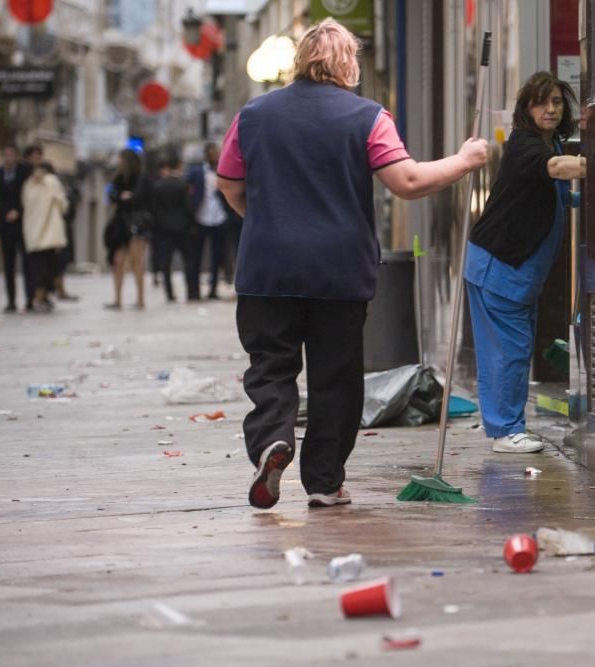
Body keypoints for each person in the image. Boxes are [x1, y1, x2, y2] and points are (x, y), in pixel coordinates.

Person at [216, 18, 487, 510]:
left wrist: (266, 223)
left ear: (301, 60)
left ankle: (272, 441)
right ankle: (323, 481)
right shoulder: (367, 117)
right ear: (348, 64)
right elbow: (406, 180)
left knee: (270, 368)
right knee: (335, 379)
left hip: (266, 270)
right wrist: (466, 160)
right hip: (338, 272)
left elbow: (230, 185)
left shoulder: (253, 115)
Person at [464, 71, 586, 454]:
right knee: (508, 350)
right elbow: (555, 170)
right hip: (499, 268)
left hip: (516, 272)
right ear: (526, 109)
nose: (550, 109)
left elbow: (552, 197)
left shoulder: (552, 142)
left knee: (512, 348)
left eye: (556, 102)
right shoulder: (526, 145)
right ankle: (505, 432)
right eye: (541, 102)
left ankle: (509, 426)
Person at [105, 149, 153, 309]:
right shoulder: (118, 178)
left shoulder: (142, 178)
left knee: (136, 261)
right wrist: (123, 196)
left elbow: (138, 198)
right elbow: (112, 195)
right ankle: (117, 299)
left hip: (137, 223)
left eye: (121, 159)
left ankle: (140, 299)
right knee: (118, 261)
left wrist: (125, 197)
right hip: (120, 224)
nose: (119, 162)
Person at [21, 161, 68, 313]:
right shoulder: (50, 182)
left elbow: (24, 203)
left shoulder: (29, 184)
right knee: (46, 267)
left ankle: (39, 297)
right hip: (48, 234)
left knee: (39, 267)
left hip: (35, 233)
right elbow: (63, 204)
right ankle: (41, 297)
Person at [0, 144, 32, 313]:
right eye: (6, 155)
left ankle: (29, 299)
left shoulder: (24, 172)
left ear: (16, 156)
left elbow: (29, 196)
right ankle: (11, 301)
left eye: (11, 155)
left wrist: (19, 212)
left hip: (23, 224)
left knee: (27, 263)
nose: (8, 158)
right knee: (9, 265)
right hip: (5, 226)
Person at [150, 152, 196, 302]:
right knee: (188, 260)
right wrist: (191, 223)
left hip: (164, 230)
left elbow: (154, 209)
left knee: (166, 263)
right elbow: (189, 207)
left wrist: (156, 227)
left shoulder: (158, 186)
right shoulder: (183, 185)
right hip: (183, 228)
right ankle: (191, 292)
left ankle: (170, 294)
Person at [186, 143, 228, 300]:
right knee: (196, 256)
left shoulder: (223, 170)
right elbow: (188, 189)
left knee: (217, 256)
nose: (214, 156)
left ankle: (213, 289)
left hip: (219, 217)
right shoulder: (196, 172)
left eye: (216, 153)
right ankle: (194, 291)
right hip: (200, 217)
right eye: (212, 153)